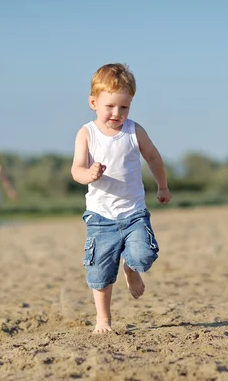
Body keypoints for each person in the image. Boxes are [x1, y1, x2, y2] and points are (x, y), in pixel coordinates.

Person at [70, 63, 172, 334]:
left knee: (144, 254)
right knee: (100, 272)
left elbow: (153, 157)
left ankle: (130, 268)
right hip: (100, 217)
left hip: (133, 212)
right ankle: (103, 319)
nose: (117, 114)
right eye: (110, 107)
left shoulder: (134, 131)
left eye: (124, 107)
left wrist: (162, 186)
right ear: (94, 102)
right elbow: (76, 169)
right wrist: (89, 174)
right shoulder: (87, 133)